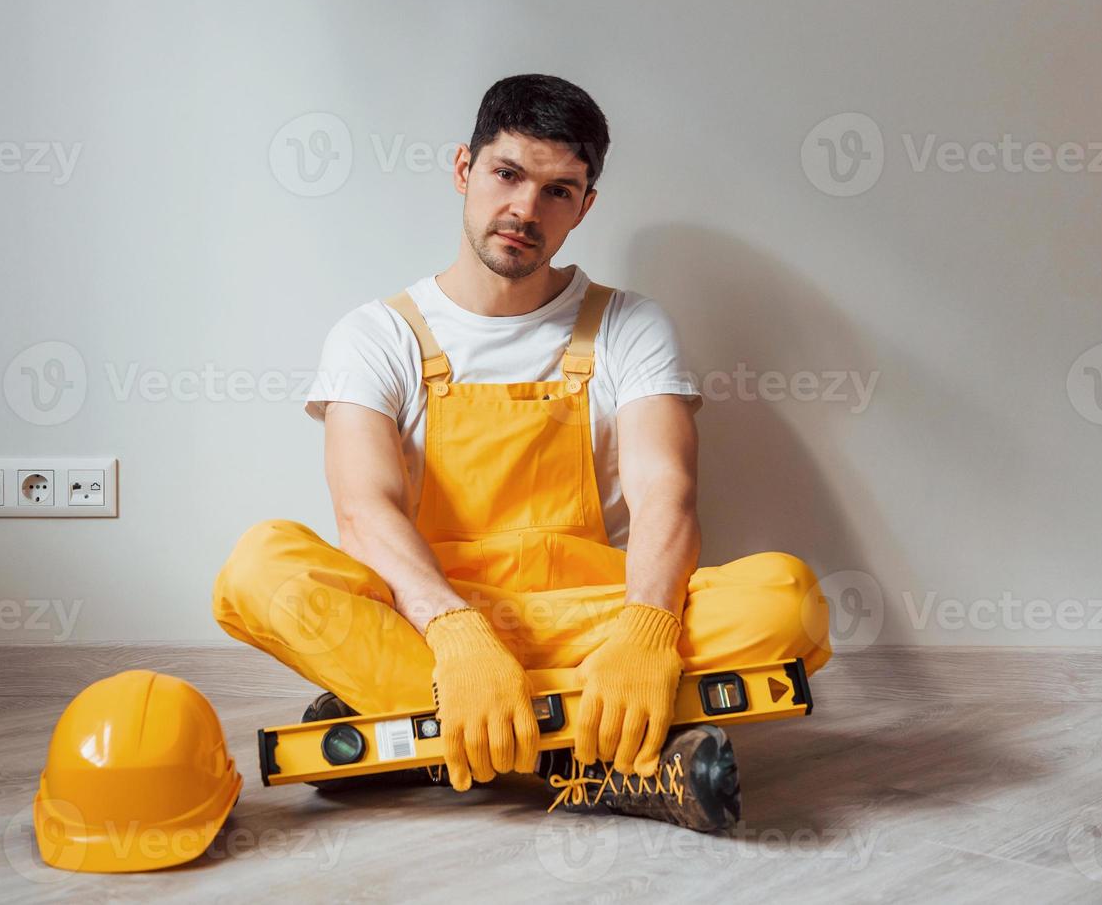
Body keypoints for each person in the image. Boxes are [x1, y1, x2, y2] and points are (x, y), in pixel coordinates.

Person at [213, 73, 831, 831]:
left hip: (591, 620)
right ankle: (590, 760)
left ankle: (416, 722)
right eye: (508, 173)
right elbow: (363, 512)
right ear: (464, 169)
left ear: (585, 206)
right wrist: (457, 633)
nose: (525, 210)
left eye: (558, 191)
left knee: (787, 598)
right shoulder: (378, 335)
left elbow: (665, 494)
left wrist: (644, 632)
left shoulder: (629, 328)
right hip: (432, 621)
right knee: (259, 568)